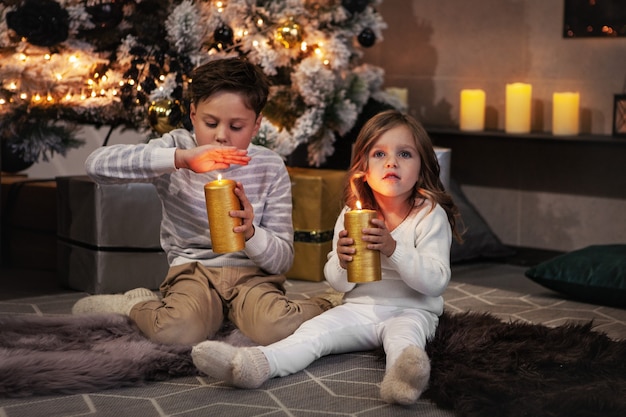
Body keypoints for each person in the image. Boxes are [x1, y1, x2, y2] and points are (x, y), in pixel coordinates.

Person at [191, 109, 462, 405]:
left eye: (405, 154)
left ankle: (403, 380)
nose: (391, 162)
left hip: (413, 309)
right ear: (363, 167)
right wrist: (343, 262)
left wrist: (392, 248)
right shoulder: (352, 213)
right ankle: (253, 364)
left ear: (422, 165)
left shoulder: (428, 214)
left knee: (405, 341)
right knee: (314, 332)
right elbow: (337, 282)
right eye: (379, 154)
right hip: (360, 307)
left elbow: (435, 282)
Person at [72, 57, 340, 346]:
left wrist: (250, 233)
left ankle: (331, 303)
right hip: (193, 271)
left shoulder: (270, 166)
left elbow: (282, 260)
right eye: (211, 123)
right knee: (175, 332)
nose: (221, 136)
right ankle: (133, 305)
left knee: (276, 328)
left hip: (253, 276)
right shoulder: (177, 150)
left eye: (236, 126)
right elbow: (96, 165)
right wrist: (178, 159)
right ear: (193, 115)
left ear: (256, 125)